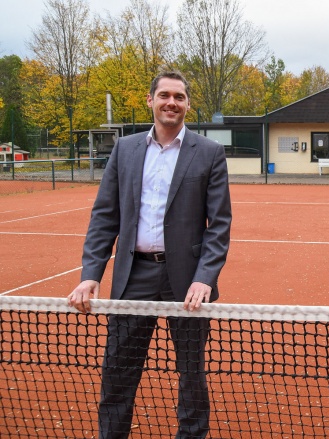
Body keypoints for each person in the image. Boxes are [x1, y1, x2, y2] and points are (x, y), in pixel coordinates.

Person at [67, 70, 232, 439]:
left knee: (191, 373)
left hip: (187, 282)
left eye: (179, 97)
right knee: (118, 373)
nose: (171, 102)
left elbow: (218, 224)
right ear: (151, 100)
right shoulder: (124, 149)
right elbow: (105, 215)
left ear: (187, 104)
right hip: (133, 278)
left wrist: (204, 277)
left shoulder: (209, 152)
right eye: (164, 95)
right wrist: (91, 273)